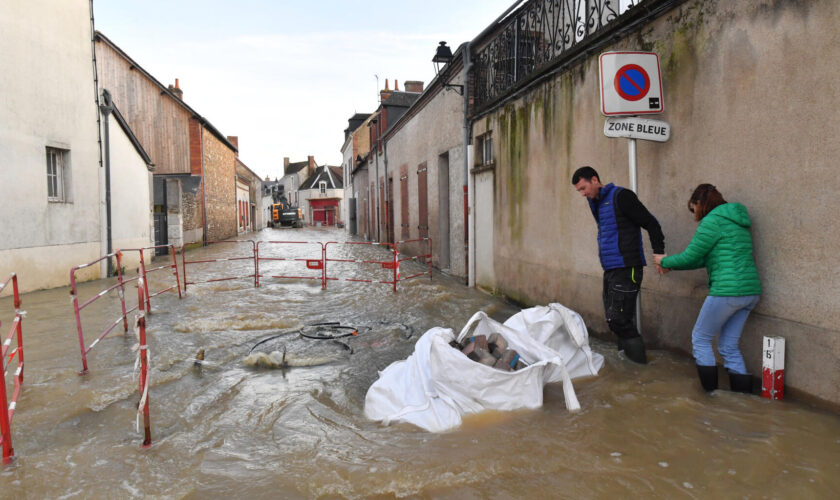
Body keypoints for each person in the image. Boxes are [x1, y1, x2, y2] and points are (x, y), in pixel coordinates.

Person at [654, 184, 761, 394]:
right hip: (750, 292)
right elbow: (704, 259)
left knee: (700, 339)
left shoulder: (712, 221)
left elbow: (691, 256)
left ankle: (711, 397)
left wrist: (664, 262)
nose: (694, 214)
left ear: (700, 203)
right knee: (728, 346)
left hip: (727, 292)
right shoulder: (737, 222)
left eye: (693, 208)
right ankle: (742, 400)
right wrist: (672, 265)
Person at [571, 166, 665, 364]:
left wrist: (659, 253)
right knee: (614, 321)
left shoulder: (622, 196)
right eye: (579, 190)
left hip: (628, 267)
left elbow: (651, 223)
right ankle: (626, 366)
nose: (583, 194)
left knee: (618, 320)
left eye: (583, 188)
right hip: (611, 269)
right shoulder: (594, 201)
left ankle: (640, 368)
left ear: (595, 179)